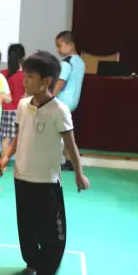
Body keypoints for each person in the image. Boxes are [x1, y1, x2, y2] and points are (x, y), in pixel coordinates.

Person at [0, 51, 90, 275]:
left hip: (46, 182)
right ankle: (33, 263)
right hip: (21, 177)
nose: (24, 80)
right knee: (26, 228)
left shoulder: (59, 111)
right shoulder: (23, 105)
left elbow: (71, 145)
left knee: (50, 233)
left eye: (30, 76)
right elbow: (20, 134)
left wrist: (79, 173)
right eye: (24, 75)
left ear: (47, 80)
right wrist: (6, 156)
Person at [53, 31, 86, 171]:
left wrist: (49, 97)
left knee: (56, 132)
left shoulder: (66, 63)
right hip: (73, 102)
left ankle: (57, 160)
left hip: (62, 101)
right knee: (65, 132)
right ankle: (69, 160)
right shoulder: (81, 62)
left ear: (69, 44)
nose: (58, 49)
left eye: (59, 45)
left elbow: (60, 82)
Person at [0, 43, 27, 160]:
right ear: (23, 57)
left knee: (5, 137)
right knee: (21, 136)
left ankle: (3, 160)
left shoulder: (3, 73)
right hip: (20, 108)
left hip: (5, 109)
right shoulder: (26, 75)